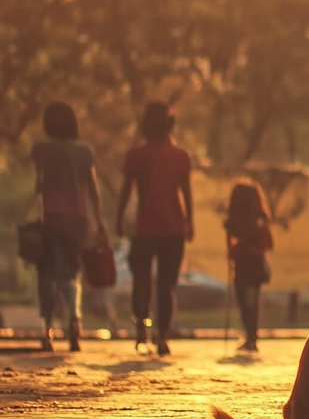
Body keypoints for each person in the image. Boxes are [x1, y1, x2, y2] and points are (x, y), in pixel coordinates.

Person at [116, 102, 193, 357]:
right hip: (173, 228)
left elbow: (127, 190)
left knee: (141, 281)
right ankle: (162, 335)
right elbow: (186, 192)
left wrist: (119, 218)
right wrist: (190, 221)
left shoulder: (136, 155)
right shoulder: (181, 156)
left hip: (145, 229)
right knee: (166, 285)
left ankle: (141, 327)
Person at [30, 102, 107, 352]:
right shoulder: (85, 151)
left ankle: (47, 328)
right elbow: (94, 190)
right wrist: (100, 222)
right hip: (77, 218)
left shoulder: (41, 149)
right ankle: (74, 319)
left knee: (48, 273)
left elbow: (38, 187)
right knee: (72, 271)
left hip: (50, 218)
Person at [224, 179, 273, 353]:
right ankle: (251, 336)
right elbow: (268, 243)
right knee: (252, 301)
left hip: (245, 264)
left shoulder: (241, 221)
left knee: (246, 301)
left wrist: (236, 248)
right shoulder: (259, 218)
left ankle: (251, 336)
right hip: (254, 263)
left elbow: (231, 245)